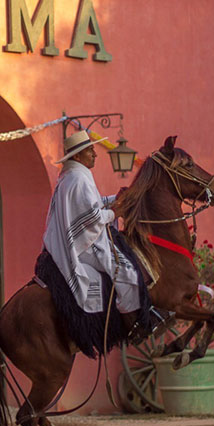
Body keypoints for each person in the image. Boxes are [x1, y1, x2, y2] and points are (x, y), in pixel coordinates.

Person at [40, 130, 142, 321]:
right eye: (90, 150)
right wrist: (115, 213)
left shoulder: (71, 176)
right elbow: (91, 218)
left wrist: (115, 199)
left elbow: (89, 206)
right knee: (128, 273)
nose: (95, 154)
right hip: (83, 245)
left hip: (73, 239)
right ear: (78, 156)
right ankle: (131, 324)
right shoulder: (78, 178)